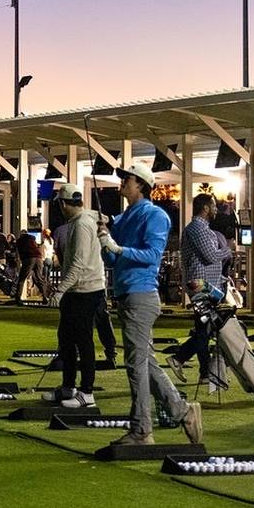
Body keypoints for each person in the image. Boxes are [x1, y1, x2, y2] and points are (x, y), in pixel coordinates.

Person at [99, 163, 200, 446]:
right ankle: (182, 411)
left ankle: (142, 430)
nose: (122, 183)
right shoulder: (124, 217)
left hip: (140, 294)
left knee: (136, 365)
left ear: (141, 184)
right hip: (127, 293)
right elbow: (115, 261)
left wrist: (117, 247)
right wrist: (106, 245)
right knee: (145, 362)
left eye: (126, 179)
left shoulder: (155, 215)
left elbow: (152, 255)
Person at [43, 187, 105, 408]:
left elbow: (78, 265)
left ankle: (87, 393)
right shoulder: (86, 217)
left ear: (63, 204)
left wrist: (59, 291)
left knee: (83, 341)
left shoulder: (81, 225)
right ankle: (68, 387)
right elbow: (102, 216)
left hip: (85, 290)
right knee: (67, 339)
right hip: (78, 289)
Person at [172, 193, 234, 371]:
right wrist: (228, 250)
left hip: (206, 284)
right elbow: (211, 256)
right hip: (199, 284)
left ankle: (203, 370)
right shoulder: (197, 229)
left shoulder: (203, 229)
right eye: (214, 206)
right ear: (205, 208)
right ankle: (181, 359)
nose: (216, 209)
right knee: (205, 328)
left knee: (207, 327)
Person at [13, 228, 48, 304]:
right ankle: (45, 297)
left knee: (21, 279)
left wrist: (18, 261)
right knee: (39, 278)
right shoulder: (32, 239)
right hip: (39, 258)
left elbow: (18, 253)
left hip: (28, 259)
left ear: (21, 235)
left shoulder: (20, 241)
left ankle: (18, 298)